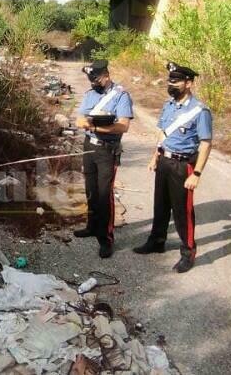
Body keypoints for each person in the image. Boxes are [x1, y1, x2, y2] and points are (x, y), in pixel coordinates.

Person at [133, 62, 213, 273]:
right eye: (170, 80)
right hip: (165, 161)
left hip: (183, 165)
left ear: (188, 83)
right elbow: (163, 134)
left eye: (176, 81)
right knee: (160, 206)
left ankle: (188, 252)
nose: (171, 84)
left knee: (182, 212)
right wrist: (155, 156)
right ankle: (157, 241)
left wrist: (196, 173)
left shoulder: (199, 111)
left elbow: (206, 143)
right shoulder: (169, 105)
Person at [73, 59, 134, 258]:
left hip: (108, 150)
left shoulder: (121, 96)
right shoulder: (90, 94)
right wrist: (85, 123)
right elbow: (80, 118)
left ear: (106, 76)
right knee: (90, 190)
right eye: (90, 79)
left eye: (96, 79)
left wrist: (96, 127)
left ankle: (106, 238)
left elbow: (123, 125)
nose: (92, 83)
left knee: (104, 194)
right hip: (89, 146)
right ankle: (92, 226)